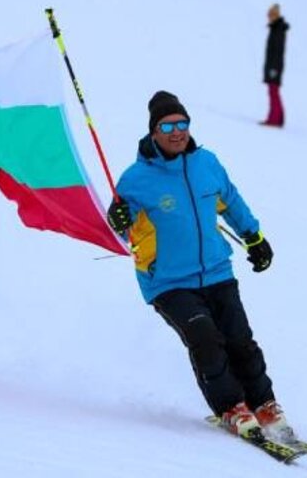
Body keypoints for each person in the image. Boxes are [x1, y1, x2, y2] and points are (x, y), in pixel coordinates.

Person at [106, 91, 293, 443]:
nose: (177, 132)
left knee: (241, 340)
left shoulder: (206, 163)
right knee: (205, 338)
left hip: (217, 270)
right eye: (168, 125)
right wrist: (115, 216)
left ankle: (263, 403)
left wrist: (254, 237)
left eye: (183, 124)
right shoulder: (136, 178)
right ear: (154, 132)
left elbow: (230, 201)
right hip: (167, 280)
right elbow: (119, 223)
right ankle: (231, 408)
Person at [261, 4, 289, 127]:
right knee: (273, 92)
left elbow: (277, 51)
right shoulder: (275, 28)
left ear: (275, 16)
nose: (268, 18)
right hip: (273, 66)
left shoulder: (277, 29)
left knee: (273, 92)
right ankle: (278, 119)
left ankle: (274, 120)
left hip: (274, 67)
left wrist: (273, 69)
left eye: (270, 15)